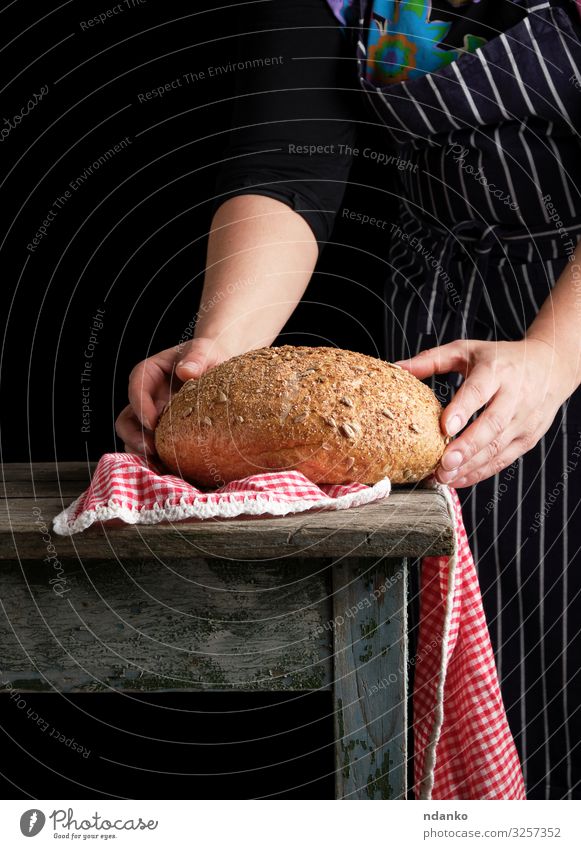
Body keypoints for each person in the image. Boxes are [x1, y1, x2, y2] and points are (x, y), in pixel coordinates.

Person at [116, 0, 581, 798]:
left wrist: (552, 352)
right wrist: (221, 351)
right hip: (442, 351)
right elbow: (287, 159)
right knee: (492, 668)